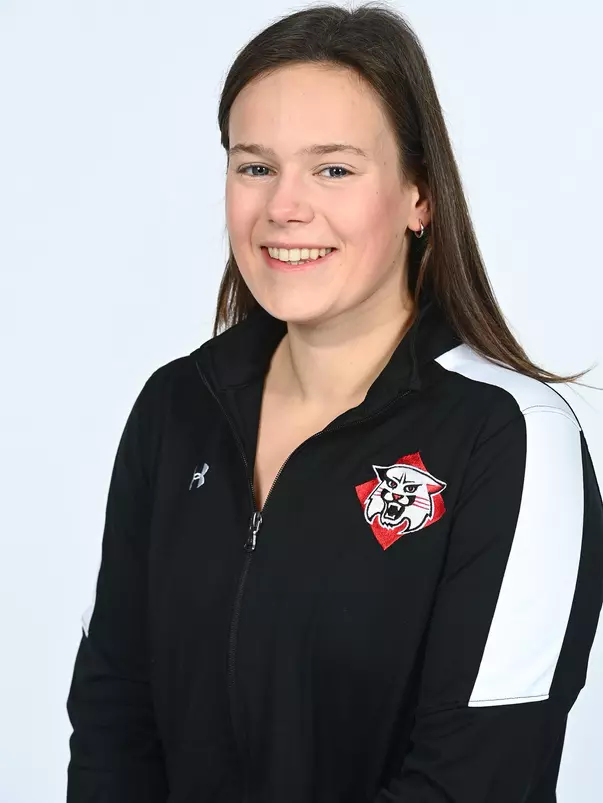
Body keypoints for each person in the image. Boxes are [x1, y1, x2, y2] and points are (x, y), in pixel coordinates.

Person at [66, 4, 603, 802]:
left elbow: (477, 777)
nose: (284, 206)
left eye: (333, 169)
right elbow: (113, 718)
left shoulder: (509, 438)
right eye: (254, 167)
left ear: (418, 196)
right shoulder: (176, 408)